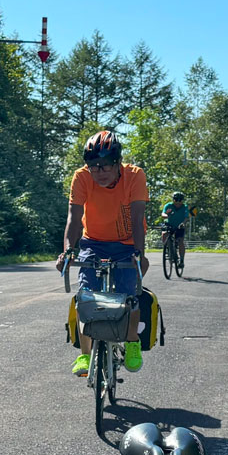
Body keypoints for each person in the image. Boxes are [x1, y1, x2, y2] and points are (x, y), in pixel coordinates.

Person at [55, 130, 149, 377]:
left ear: (118, 162)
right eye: (93, 166)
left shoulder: (135, 176)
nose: (99, 172)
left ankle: (131, 344)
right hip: (93, 242)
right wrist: (67, 252)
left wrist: (139, 253)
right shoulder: (81, 178)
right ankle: (85, 355)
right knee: (85, 297)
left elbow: (138, 218)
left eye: (105, 166)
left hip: (127, 243)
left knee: (130, 295)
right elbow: (74, 218)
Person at [161, 192, 189, 268]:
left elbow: (186, 217)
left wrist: (183, 223)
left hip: (179, 225)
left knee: (180, 241)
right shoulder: (168, 205)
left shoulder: (184, 207)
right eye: (176, 200)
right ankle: (169, 249)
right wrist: (166, 215)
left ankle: (182, 260)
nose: (178, 203)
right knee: (164, 234)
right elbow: (163, 214)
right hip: (169, 224)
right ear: (173, 200)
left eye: (180, 201)